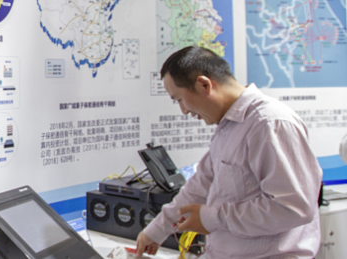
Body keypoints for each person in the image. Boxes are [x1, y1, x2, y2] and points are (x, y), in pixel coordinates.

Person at [135, 46, 322, 258]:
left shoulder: (268, 123)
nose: (183, 111)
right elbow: (200, 185)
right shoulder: (230, 126)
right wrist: (156, 231)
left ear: (204, 84)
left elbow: (293, 208)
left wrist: (212, 218)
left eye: (179, 99)